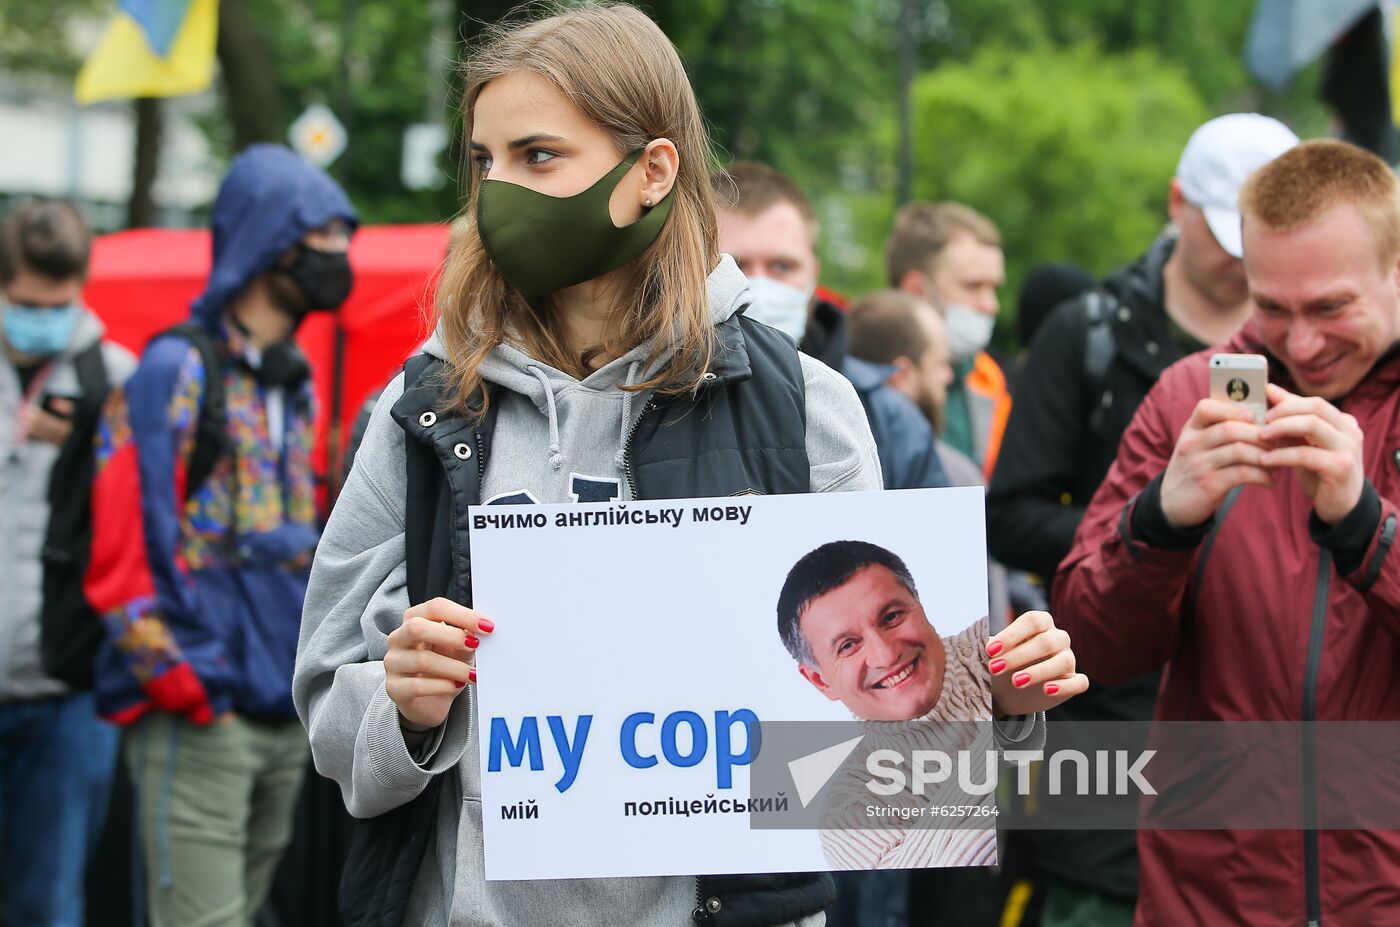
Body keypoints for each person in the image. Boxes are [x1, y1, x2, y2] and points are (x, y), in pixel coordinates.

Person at [293, 6, 1082, 926]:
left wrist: (998, 704)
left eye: (539, 156)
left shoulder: (802, 406)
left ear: (652, 171)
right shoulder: (425, 411)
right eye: (484, 160)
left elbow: (879, 769)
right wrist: (405, 709)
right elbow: (328, 708)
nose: (498, 190)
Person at [1055, 138, 1400, 925]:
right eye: (1272, 307)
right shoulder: (1190, 397)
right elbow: (1091, 644)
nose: (1303, 343)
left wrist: (1366, 529)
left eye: (1331, 307)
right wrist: (1160, 522)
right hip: (1215, 895)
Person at [985, 112, 1298, 927]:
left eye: (1258, 239)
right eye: (1226, 233)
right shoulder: (1087, 334)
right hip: (1109, 718)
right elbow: (1011, 512)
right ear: (1176, 204)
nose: (1238, 259)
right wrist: (1146, 535)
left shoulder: (1319, 353)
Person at [84, 144, 357, 926]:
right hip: (203, 711)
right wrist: (192, 687)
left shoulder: (295, 376)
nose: (339, 256)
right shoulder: (174, 369)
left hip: (281, 709)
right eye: (323, 236)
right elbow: (124, 553)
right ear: (269, 240)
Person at [777, 541, 1085, 873]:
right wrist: (1000, 722)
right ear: (820, 681)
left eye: (892, 617)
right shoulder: (848, 812)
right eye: (849, 645)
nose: (885, 655)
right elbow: (943, 874)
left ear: (921, 607)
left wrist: (1076, 646)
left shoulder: (999, 648)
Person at [0, 200, 135, 927]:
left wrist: (84, 437)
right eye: (23, 304)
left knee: (48, 900)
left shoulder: (113, 377)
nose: (38, 318)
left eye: (55, 306)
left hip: (70, 686)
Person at [715, 160, 949, 491]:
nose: (756, 286)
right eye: (733, 265)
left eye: (783, 266)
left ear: (814, 272)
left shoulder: (891, 421)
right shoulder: (652, 403)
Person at [887, 201, 1011, 476]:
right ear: (916, 290)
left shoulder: (987, 377)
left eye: (993, 287)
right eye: (973, 286)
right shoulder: (853, 376)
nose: (991, 305)